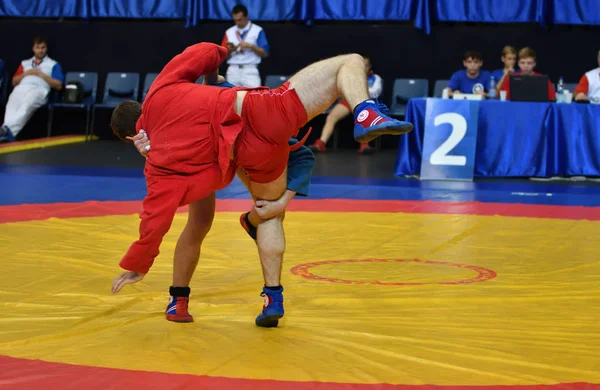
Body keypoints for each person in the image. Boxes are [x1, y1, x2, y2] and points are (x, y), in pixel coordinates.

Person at [109, 42, 413, 327]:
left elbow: (155, 218)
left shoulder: (157, 163)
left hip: (228, 157)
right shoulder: (162, 90)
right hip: (262, 118)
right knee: (350, 62)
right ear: (141, 103)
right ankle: (365, 112)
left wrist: (139, 263)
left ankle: (183, 300)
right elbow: (203, 52)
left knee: (200, 222)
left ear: (127, 139)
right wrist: (216, 66)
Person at [309, 56, 383, 154]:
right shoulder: (349, 76)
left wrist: (360, 86)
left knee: (364, 116)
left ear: (369, 66)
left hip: (366, 102)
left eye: (364, 65)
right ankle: (321, 143)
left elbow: (375, 93)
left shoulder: (375, 78)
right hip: (349, 101)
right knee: (331, 117)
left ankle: (364, 145)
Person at [0, 36, 64, 142]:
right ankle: (7, 134)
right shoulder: (25, 63)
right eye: (38, 48)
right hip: (22, 88)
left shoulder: (53, 64)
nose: (40, 50)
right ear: (33, 49)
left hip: (39, 90)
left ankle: (6, 130)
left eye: (43, 48)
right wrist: (26, 73)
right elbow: (14, 82)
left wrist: (41, 75)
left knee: (28, 103)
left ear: (46, 49)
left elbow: (58, 85)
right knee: (12, 102)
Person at [221, 4, 269, 87]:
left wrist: (251, 46)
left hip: (250, 70)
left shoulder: (257, 30)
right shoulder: (229, 32)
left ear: (246, 16)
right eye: (235, 20)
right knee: (231, 97)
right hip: (233, 70)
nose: (237, 22)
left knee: (254, 97)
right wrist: (230, 50)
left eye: (240, 19)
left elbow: (265, 53)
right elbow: (223, 56)